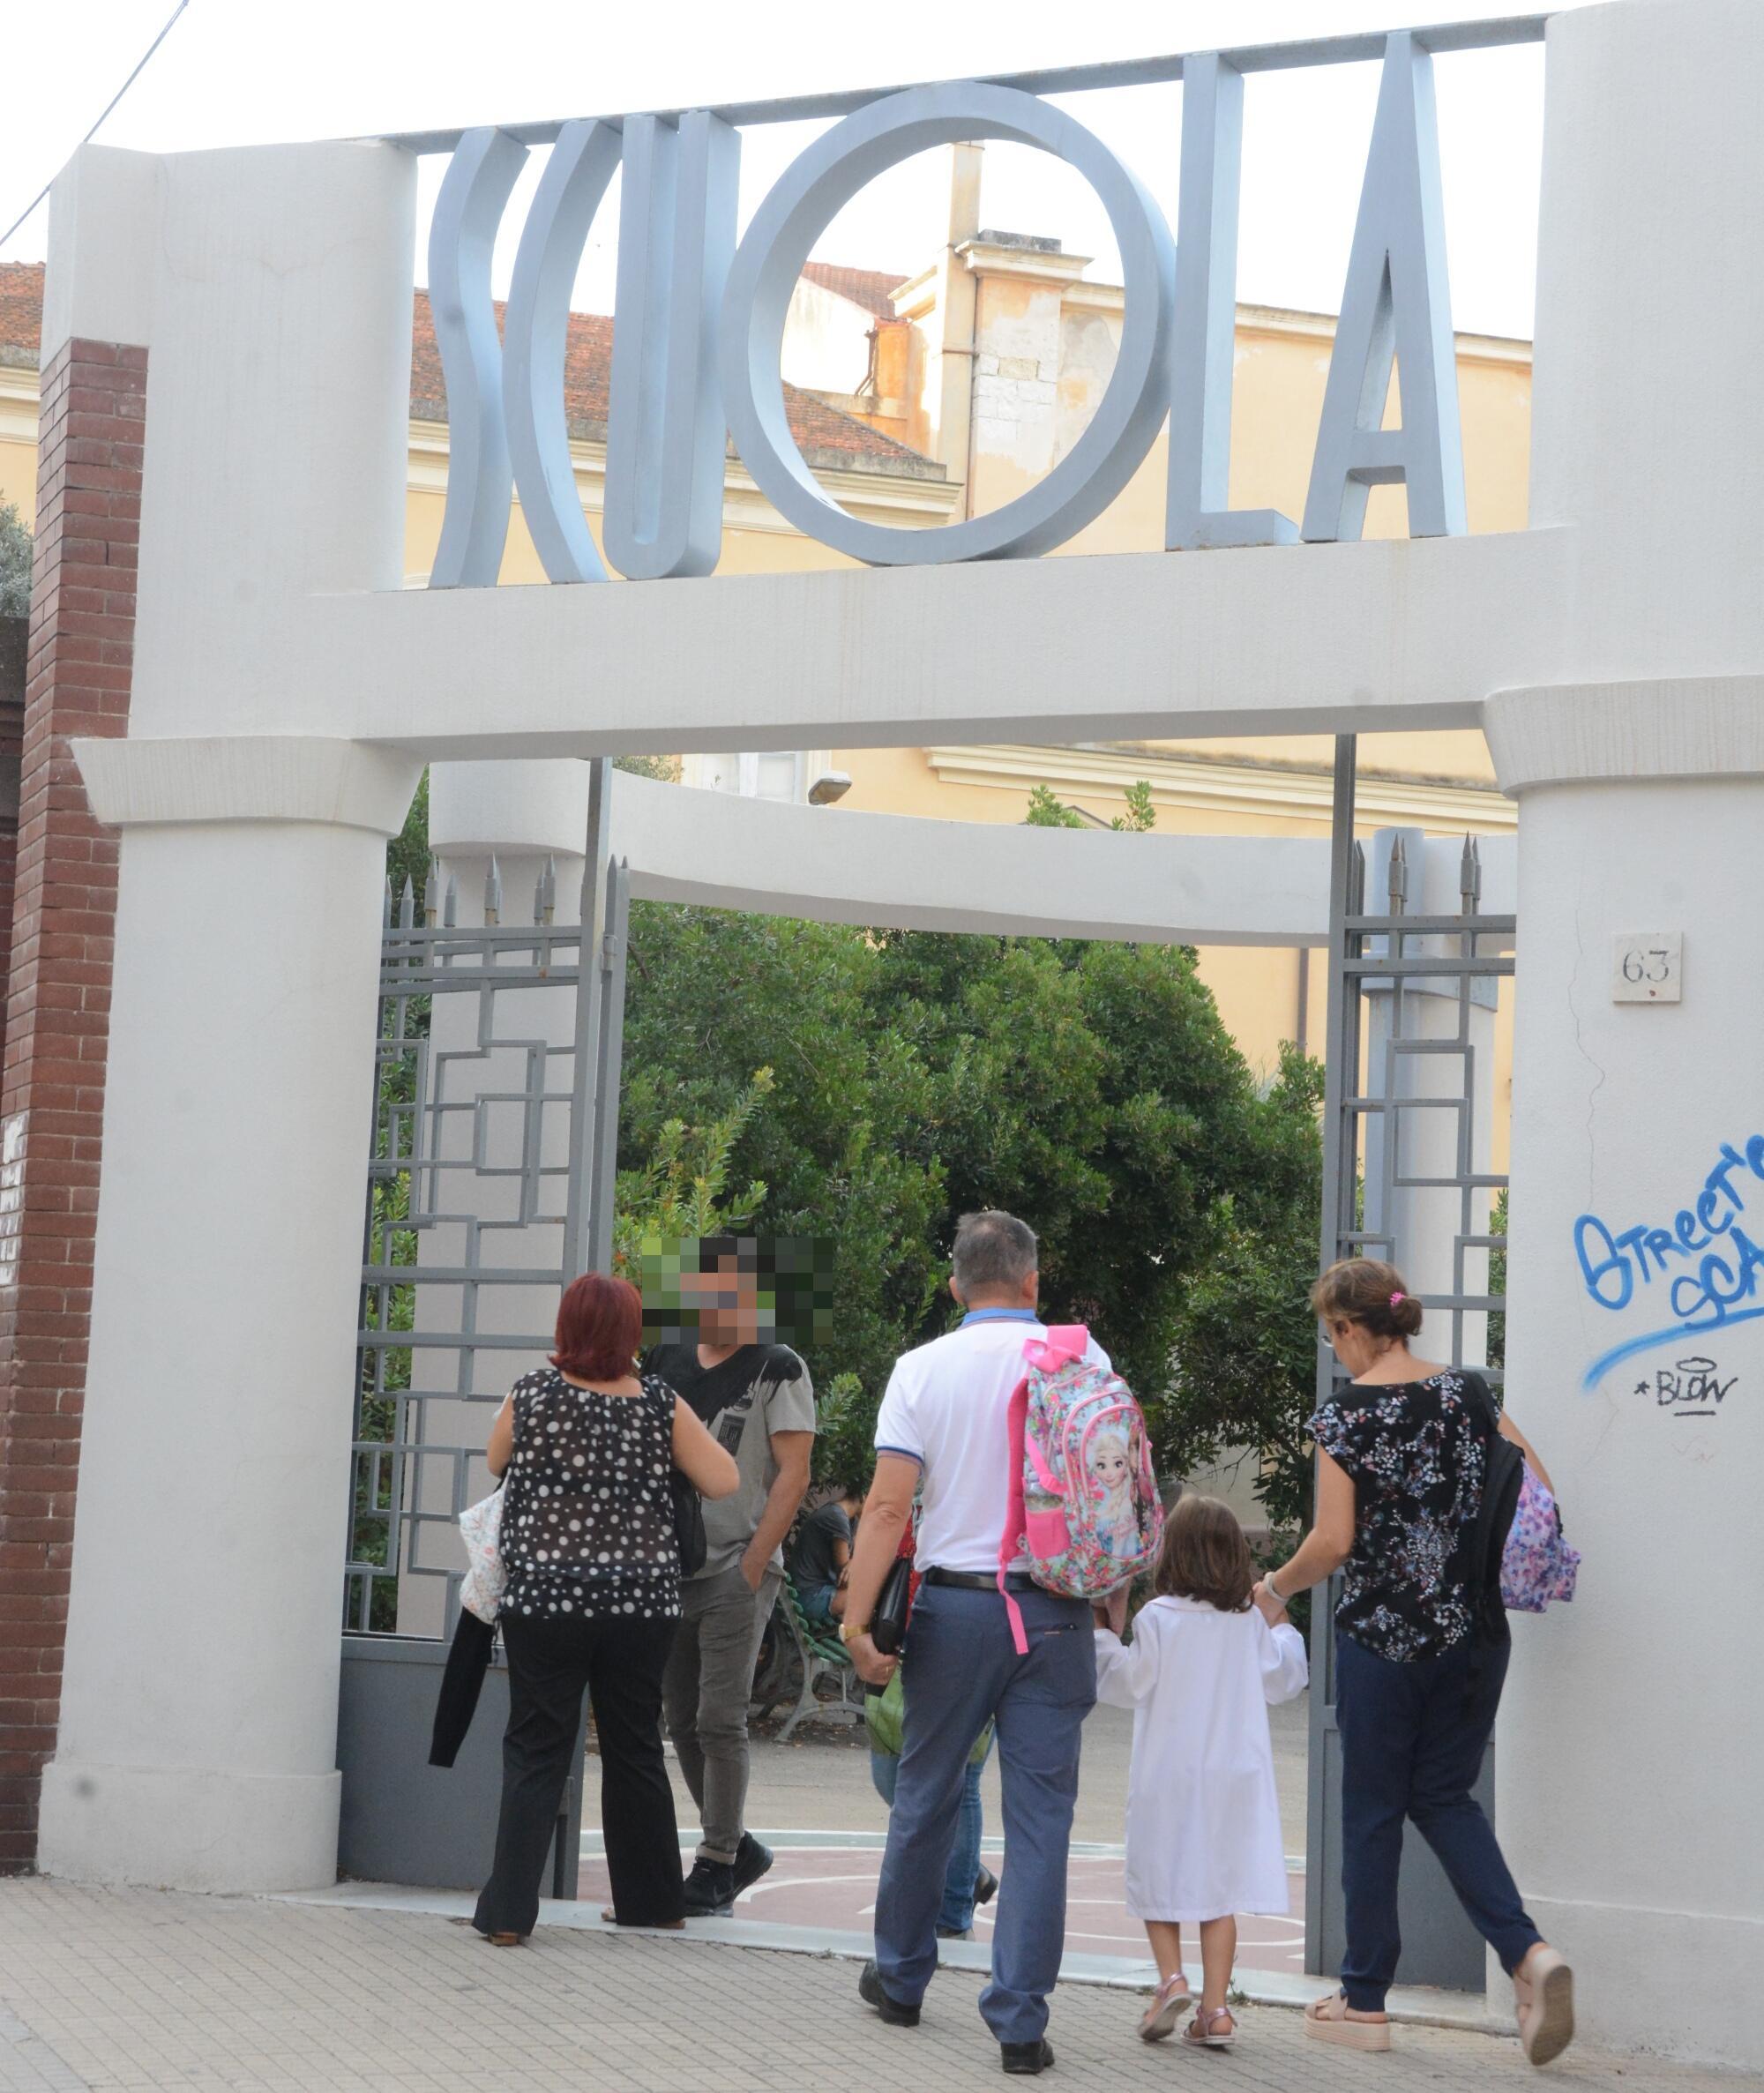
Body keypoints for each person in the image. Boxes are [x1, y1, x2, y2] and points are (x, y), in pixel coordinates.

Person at [1262, 1258, 1574, 2067]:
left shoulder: (1345, 1417)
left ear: (1350, 1327)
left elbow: (1332, 1541)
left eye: (1335, 1334)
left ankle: (1363, 1999)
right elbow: (1533, 1486)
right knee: (1444, 1797)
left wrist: (1273, 1587)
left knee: (1372, 1810)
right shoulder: (1468, 1391)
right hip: (1473, 1637)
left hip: (1385, 1643)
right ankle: (1528, 1954)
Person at [841, 1210, 1107, 2077]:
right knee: (1040, 1822)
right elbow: (1109, 1491)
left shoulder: (921, 1371)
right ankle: (1020, 2021)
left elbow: (885, 1508)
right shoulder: (1083, 1360)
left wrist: (854, 1621)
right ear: (1032, 1283)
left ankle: (901, 1978)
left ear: (955, 1285)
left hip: (953, 1615)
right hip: (1058, 1611)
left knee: (925, 1793)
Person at [471, 1273, 737, 1944]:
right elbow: (724, 1478)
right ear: (629, 1334)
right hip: (639, 1604)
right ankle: (653, 1900)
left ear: (566, 1327)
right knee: (635, 1745)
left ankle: (507, 1914)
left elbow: (493, 1459)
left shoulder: (530, 1393)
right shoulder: (658, 1402)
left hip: (546, 1601)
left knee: (537, 1746)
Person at [1092, 1493, 1308, 2049]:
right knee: (1220, 1890)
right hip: (1233, 1776)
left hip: (1169, 1770)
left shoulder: (1157, 1618)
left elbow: (1126, 1682)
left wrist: (1099, 1634)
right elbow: (1284, 1679)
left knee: (1157, 1873)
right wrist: (1279, 1621)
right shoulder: (1246, 1625)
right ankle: (1216, 2011)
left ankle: (1170, 1980)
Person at [646, 1238, 816, 1917]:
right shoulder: (666, 1358)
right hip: (669, 1565)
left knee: (721, 1718)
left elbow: (794, 1474)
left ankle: (716, 1860)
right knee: (680, 1718)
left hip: (736, 1567)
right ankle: (736, 1845)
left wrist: (753, 1565)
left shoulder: (779, 1366)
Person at [790, 1482, 863, 1626]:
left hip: (812, 1591)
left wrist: (855, 1562)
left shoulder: (844, 1517)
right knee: (870, 1596)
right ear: (865, 1496)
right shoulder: (837, 1518)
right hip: (808, 1597)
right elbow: (845, 1581)